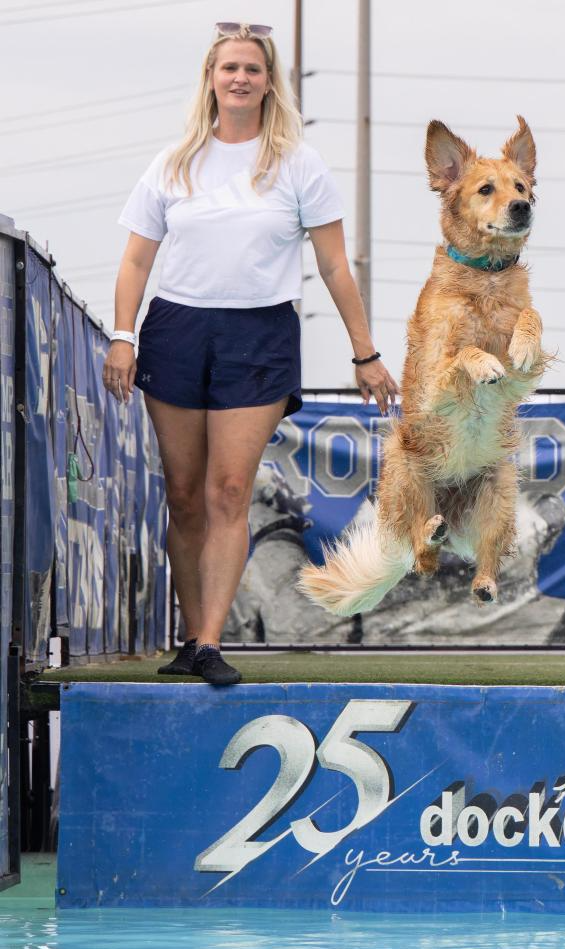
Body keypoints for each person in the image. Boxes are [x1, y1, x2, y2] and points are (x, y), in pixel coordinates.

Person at [105, 21, 398, 684]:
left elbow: (334, 265)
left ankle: (211, 641)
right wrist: (124, 336)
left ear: (270, 83)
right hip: (176, 330)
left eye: (252, 69)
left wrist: (365, 352)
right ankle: (190, 636)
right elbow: (136, 260)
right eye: (229, 68)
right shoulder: (174, 162)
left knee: (230, 489)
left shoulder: (299, 164)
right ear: (211, 79)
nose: (240, 78)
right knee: (184, 494)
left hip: (260, 336)